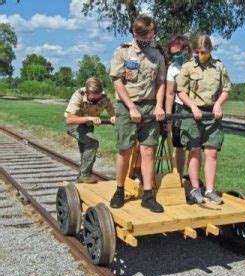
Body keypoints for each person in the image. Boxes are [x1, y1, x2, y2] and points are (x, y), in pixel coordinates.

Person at [109, 15, 166, 213]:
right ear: (135, 33)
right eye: (145, 34)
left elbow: (160, 82)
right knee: (124, 149)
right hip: (127, 106)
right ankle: (119, 190)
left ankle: (148, 195)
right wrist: (131, 107)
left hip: (150, 106)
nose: (149, 37)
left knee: (148, 150)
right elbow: (117, 81)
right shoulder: (123, 52)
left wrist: (159, 106)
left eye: (150, 34)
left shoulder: (157, 53)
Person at [176, 35, 231, 205]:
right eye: (198, 52)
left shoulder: (219, 67)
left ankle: (209, 190)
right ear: (193, 51)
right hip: (192, 114)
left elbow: (226, 89)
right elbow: (180, 91)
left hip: (211, 114)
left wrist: (218, 105)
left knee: (212, 152)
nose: (201, 55)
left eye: (204, 52)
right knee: (194, 151)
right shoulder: (187, 67)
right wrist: (193, 107)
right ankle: (195, 189)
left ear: (210, 51)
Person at [64, 77, 115, 183]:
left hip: (88, 126)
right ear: (87, 92)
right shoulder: (78, 95)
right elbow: (69, 120)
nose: (96, 99)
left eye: (98, 96)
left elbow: (111, 110)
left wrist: (113, 117)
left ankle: (80, 180)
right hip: (74, 125)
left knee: (86, 152)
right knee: (92, 143)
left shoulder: (103, 97)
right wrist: (89, 118)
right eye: (93, 98)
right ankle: (85, 175)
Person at [165, 35, 193, 178]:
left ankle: (193, 181)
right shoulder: (172, 68)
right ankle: (180, 178)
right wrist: (168, 117)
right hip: (179, 108)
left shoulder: (197, 63)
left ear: (186, 49)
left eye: (177, 53)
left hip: (196, 108)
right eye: (172, 54)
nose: (175, 57)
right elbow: (170, 93)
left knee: (195, 147)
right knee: (180, 146)